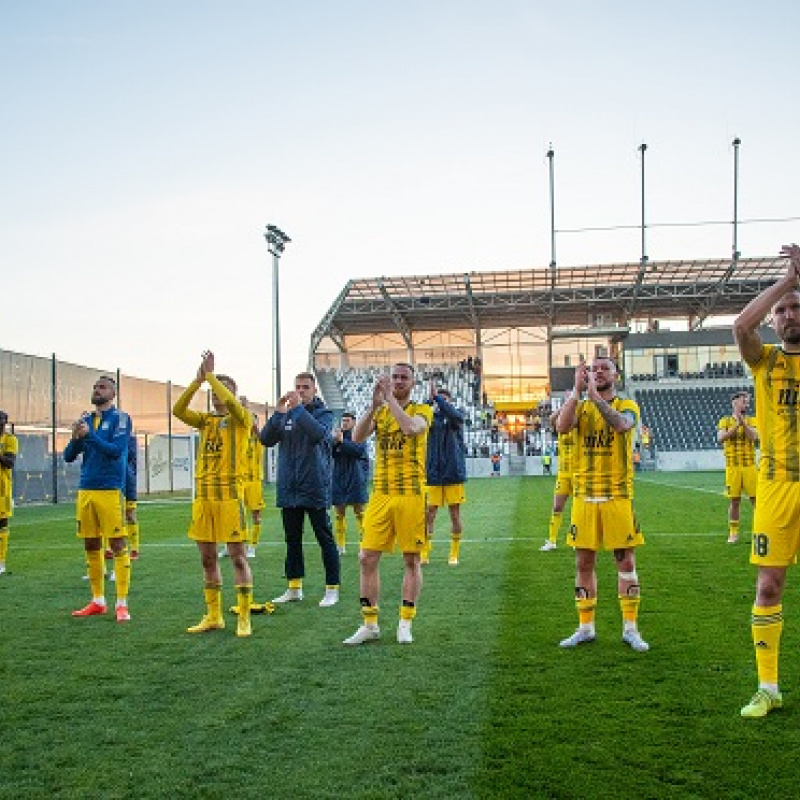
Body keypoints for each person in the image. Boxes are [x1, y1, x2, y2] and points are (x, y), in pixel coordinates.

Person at [734, 242, 800, 718]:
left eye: (796, 307)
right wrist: (789, 279)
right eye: (783, 310)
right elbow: (741, 325)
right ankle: (768, 687)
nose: (790, 314)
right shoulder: (766, 362)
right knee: (769, 586)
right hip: (776, 485)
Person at [556, 356, 648, 652]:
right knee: (583, 563)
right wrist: (575, 391)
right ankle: (585, 627)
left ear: (615, 375)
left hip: (617, 497)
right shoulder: (580, 407)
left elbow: (622, 425)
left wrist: (595, 397)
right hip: (584, 498)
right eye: (593, 370)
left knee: (626, 561)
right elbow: (561, 426)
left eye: (603, 368)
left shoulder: (627, 406)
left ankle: (630, 629)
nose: (597, 373)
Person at [343, 362, 433, 645]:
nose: (398, 381)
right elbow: (356, 437)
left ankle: (405, 621)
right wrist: (372, 406)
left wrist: (389, 400)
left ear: (413, 383)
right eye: (394, 377)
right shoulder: (380, 412)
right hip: (381, 494)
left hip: (411, 494)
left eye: (404, 377)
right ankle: (370, 623)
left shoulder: (422, 410)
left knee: (411, 559)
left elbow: (409, 429)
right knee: (366, 557)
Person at [172, 351, 254, 637]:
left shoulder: (243, 419)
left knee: (237, 557)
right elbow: (178, 410)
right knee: (207, 559)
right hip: (204, 498)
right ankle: (214, 615)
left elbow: (232, 403)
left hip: (229, 497)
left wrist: (211, 378)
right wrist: (198, 382)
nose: (217, 396)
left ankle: (244, 617)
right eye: (214, 392)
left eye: (222, 390)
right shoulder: (205, 421)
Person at [261, 372, 340, 608]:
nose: (301, 390)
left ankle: (332, 589)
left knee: (324, 538)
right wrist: (278, 413)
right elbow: (265, 439)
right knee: (292, 539)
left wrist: (297, 410)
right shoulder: (286, 415)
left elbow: (318, 435)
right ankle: (294, 587)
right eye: (298, 387)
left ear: (315, 390)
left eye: (306, 387)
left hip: (314, 485)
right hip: (289, 487)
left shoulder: (324, 414)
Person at [64, 376, 133, 622]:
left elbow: (115, 452)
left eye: (102, 387)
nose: (97, 390)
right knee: (91, 545)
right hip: (86, 489)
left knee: (117, 545)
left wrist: (89, 434)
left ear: (113, 394)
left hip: (109, 488)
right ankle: (98, 600)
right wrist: (76, 436)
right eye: (95, 387)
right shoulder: (86, 420)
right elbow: (68, 457)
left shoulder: (121, 419)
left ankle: (122, 604)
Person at [423, 382, 467, 566]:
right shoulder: (430, 419)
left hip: (453, 472)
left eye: (445, 400)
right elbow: (419, 415)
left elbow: (455, 415)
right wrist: (429, 400)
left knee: (454, 515)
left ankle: (454, 553)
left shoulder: (456, 417)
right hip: (433, 472)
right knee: (429, 513)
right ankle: (424, 552)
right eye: (439, 399)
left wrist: (439, 399)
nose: (441, 403)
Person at [717, 391, 758, 543]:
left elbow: (754, 437)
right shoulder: (725, 421)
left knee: (756, 501)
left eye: (747, 401)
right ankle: (733, 533)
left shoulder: (752, 420)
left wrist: (743, 424)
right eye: (744, 401)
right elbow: (721, 438)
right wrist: (736, 425)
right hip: (732, 466)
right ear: (735, 403)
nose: (746, 404)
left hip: (750, 466)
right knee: (734, 501)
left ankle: (758, 532)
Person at [331, 411, 369, 555]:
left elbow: (358, 451)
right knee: (339, 513)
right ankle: (340, 545)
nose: (344, 423)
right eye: (343, 420)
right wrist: (334, 443)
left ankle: (364, 545)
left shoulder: (359, 435)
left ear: (354, 422)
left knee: (359, 512)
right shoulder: (338, 437)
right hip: (339, 479)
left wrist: (342, 442)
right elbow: (331, 454)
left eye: (347, 420)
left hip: (355, 479)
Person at [540, 409, 575, 552]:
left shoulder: (580, 428)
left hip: (579, 473)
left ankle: (575, 540)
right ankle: (552, 540)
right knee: (557, 507)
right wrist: (568, 404)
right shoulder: (561, 429)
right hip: (563, 474)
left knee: (577, 510)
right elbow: (552, 418)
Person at [0, 411, 19, 576]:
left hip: (2, 489)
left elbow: (9, 463)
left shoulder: (9, 439)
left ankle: (1, 561)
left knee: (2, 524)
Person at [126, 432, 140, 560]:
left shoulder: (130, 438)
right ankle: (108, 548)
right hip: (112, 482)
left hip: (128, 481)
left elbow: (130, 456)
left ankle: (134, 549)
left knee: (130, 515)